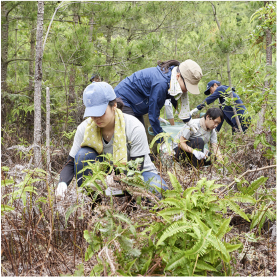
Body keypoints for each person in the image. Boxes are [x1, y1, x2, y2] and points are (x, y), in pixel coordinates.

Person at [55, 82, 168, 200]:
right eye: (92, 114)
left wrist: (116, 182)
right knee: (82, 155)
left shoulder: (133, 126)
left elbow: (136, 168)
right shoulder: (85, 128)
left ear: (114, 105)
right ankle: (93, 203)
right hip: (104, 175)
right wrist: (62, 184)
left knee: (157, 189)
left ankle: (128, 203)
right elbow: (70, 163)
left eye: (101, 113)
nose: (96, 118)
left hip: (139, 174)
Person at [114, 59, 203, 139]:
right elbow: (153, 115)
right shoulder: (161, 83)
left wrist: (188, 120)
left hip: (136, 104)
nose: (187, 90)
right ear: (178, 76)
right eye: (187, 86)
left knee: (140, 134)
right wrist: (161, 142)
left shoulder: (172, 79)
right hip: (122, 100)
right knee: (133, 135)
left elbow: (175, 100)